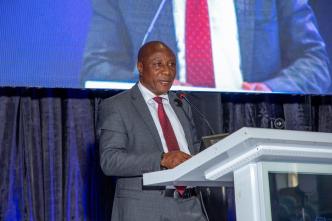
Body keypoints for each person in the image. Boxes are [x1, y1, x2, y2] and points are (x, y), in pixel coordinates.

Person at [81, 0, 330, 94]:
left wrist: (269, 90)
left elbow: (315, 64)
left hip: (254, 126)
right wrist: (148, 82)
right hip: (162, 138)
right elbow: (96, 70)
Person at [97, 41, 207, 221]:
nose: (167, 71)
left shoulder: (181, 104)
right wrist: (162, 159)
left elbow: (193, 150)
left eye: (172, 65)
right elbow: (110, 160)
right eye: (158, 64)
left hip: (190, 207)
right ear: (140, 67)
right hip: (144, 210)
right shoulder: (117, 106)